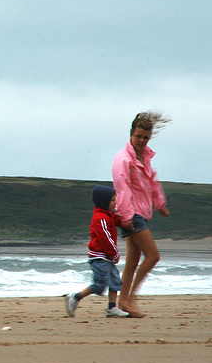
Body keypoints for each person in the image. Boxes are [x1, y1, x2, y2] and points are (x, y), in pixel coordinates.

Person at [112, 111, 171, 318]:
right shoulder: (123, 159)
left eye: (145, 137)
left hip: (142, 213)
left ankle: (123, 301)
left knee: (133, 261)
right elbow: (122, 189)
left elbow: (151, 182)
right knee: (153, 256)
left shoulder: (145, 157)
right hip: (131, 214)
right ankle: (130, 299)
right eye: (138, 136)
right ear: (131, 134)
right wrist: (126, 218)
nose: (141, 141)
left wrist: (160, 203)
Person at [64, 185, 130, 318]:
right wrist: (115, 253)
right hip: (100, 257)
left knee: (115, 282)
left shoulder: (108, 215)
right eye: (112, 200)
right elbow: (105, 238)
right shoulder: (100, 218)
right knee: (99, 285)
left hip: (107, 257)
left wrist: (125, 220)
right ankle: (75, 297)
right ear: (103, 202)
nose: (115, 202)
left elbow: (115, 219)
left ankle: (112, 308)